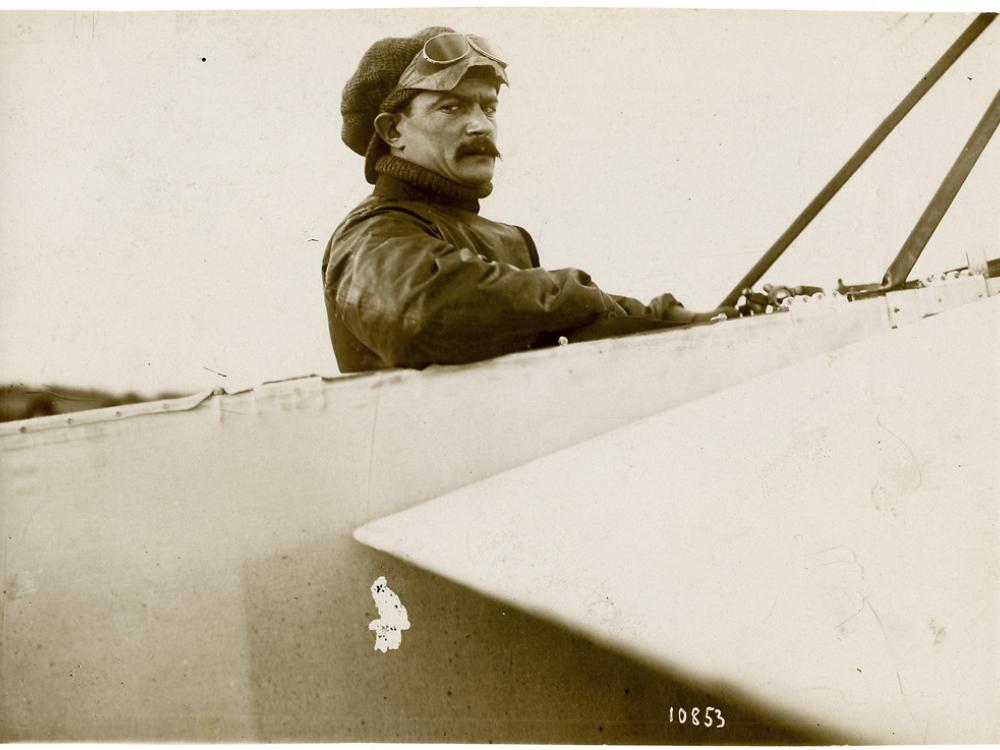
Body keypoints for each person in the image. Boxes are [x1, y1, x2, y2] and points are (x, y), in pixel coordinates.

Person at [323, 27, 735, 373]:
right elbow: (423, 314)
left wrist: (675, 319)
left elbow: (559, 323)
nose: (480, 126)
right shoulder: (371, 234)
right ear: (393, 131)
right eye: (452, 107)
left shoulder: (506, 238)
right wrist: (579, 294)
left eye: (489, 107)